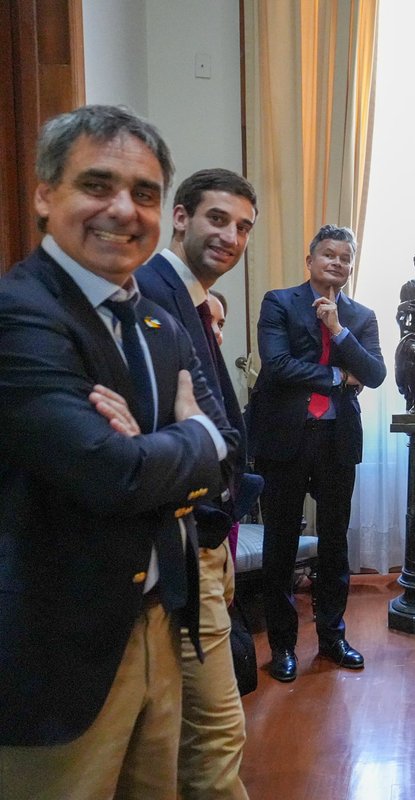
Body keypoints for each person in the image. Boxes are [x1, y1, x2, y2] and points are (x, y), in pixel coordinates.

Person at [0, 104, 232, 799]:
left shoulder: (156, 318)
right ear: (45, 195)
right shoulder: (20, 315)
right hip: (59, 649)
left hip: (160, 624)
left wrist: (169, 454)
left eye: (144, 193)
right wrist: (194, 438)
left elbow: (215, 467)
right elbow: (113, 474)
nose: (123, 210)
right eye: (97, 185)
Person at [135, 167, 257, 800]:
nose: (230, 237)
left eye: (242, 228)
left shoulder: (194, 302)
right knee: (214, 733)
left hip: (207, 534)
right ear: (180, 217)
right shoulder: (154, 296)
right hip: (175, 540)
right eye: (218, 219)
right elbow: (207, 436)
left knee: (189, 734)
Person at [250, 224, 387, 682]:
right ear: (310, 261)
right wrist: (335, 377)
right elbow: (277, 364)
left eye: (345, 258)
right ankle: (283, 646)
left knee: (333, 545)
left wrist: (337, 330)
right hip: (284, 439)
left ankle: (332, 637)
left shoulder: (361, 316)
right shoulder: (279, 302)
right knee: (280, 545)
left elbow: (374, 373)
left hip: (336, 441)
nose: (337, 263)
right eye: (328, 254)